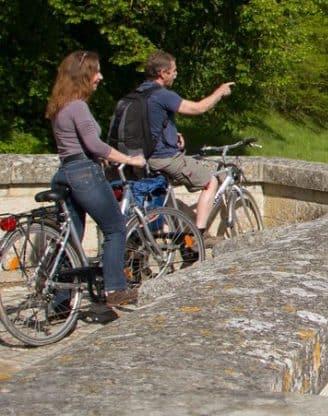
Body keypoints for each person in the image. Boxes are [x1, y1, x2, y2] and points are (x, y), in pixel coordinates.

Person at [46, 51, 146, 307]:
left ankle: (60, 300)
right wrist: (130, 159)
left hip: (64, 172)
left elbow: (77, 146)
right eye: (96, 71)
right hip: (84, 174)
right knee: (115, 228)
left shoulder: (60, 106)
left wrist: (100, 157)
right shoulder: (78, 106)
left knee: (71, 239)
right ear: (83, 75)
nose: (100, 77)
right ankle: (115, 289)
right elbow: (95, 144)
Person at [140, 50, 234, 241]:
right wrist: (219, 92)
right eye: (174, 71)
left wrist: (171, 135)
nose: (176, 74)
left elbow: (150, 124)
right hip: (164, 157)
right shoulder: (162, 95)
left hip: (144, 156)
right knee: (210, 181)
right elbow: (198, 108)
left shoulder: (140, 92)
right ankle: (199, 236)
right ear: (163, 73)